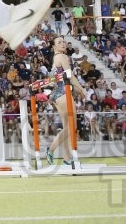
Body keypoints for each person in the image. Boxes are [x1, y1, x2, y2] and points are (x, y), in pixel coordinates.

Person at [45, 37, 86, 166]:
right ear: (54, 47)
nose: (63, 44)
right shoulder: (62, 57)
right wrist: (81, 89)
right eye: (59, 42)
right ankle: (51, 150)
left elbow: (54, 79)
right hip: (63, 93)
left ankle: (67, 158)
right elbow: (70, 75)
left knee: (67, 128)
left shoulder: (55, 59)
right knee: (71, 127)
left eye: (63, 42)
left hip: (57, 94)